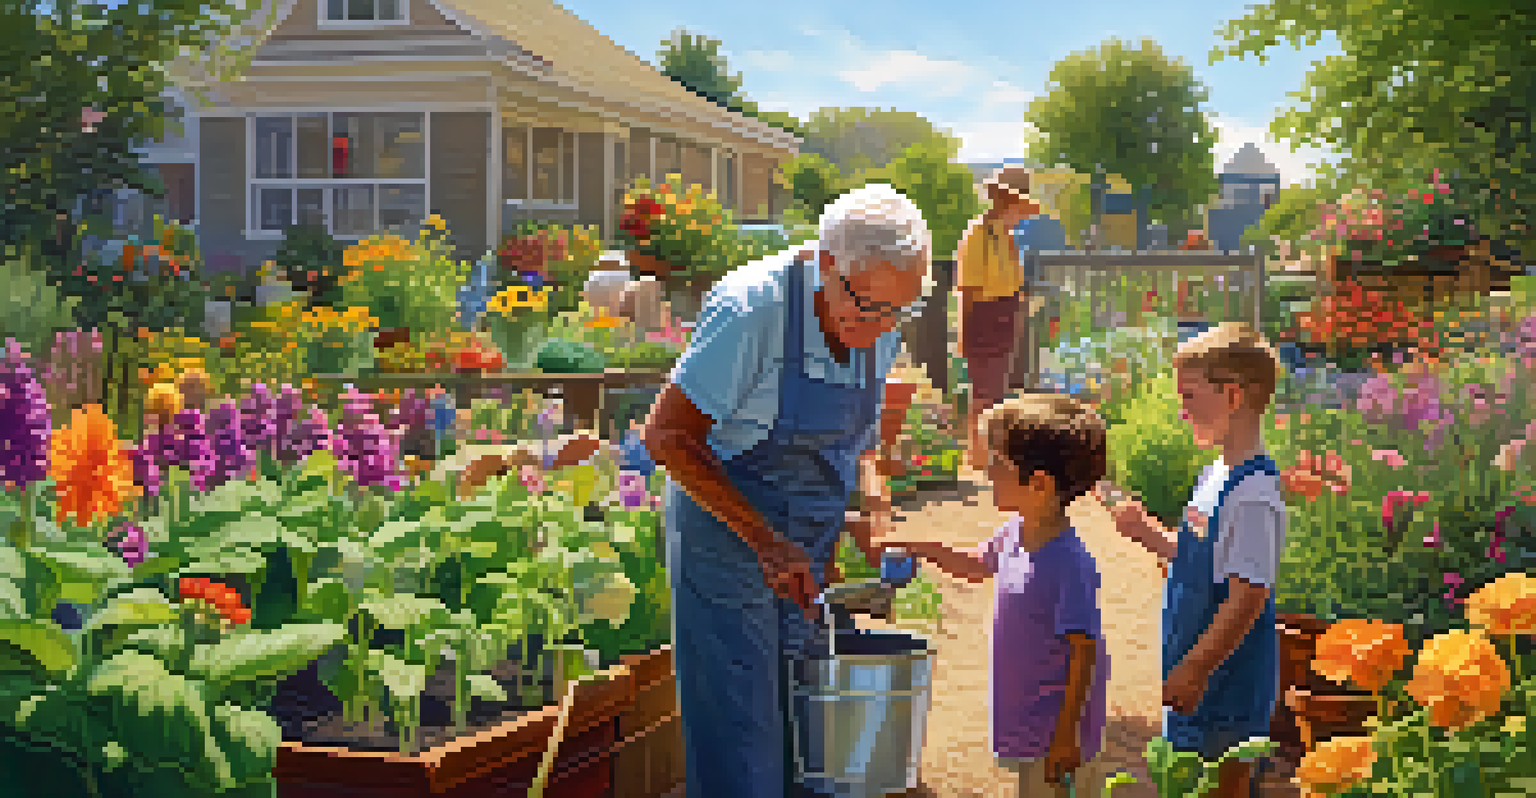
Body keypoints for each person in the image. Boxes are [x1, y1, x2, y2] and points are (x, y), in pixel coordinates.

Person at [639, 184, 927, 798]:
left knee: (811, 736)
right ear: (827, 264)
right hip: (726, 540)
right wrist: (766, 542)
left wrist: (870, 509)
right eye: (866, 307)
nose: (878, 328)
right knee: (743, 743)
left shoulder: (880, 318)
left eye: (896, 313)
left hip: (804, 547)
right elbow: (666, 435)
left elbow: (857, 440)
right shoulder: (752, 311)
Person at [877, 393, 1111, 797]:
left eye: (998, 464)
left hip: (1054, 734)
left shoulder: (1068, 563)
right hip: (1029, 724)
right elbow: (975, 564)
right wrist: (916, 546)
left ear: (1039, 484)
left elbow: (1083, 652)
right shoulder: (1016, 533)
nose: (985, 471)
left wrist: (1067, 736)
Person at [1099, 322, 1288, 798]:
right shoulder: (1217, 472)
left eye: (1189, 397)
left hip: (1226, 680)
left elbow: (1247, 597)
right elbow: (1200, 558)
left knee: (1220, 786)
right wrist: (1147, 534)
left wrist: (1196, 668)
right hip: (1197, 669)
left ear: (1232, 396)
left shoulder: (1253, 496)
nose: (1182, 412)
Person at [956, 166, 1042, 466]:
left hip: (1004, 314)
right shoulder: (978, 234)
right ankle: (978, 453)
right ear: (1009, 204)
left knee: (996, 387)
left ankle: (986, 451)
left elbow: (1014, 283)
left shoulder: (1007, 238)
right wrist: (963, 333)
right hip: (984, 314)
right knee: (984, 388)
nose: (1022, 216)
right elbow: (967, 288)